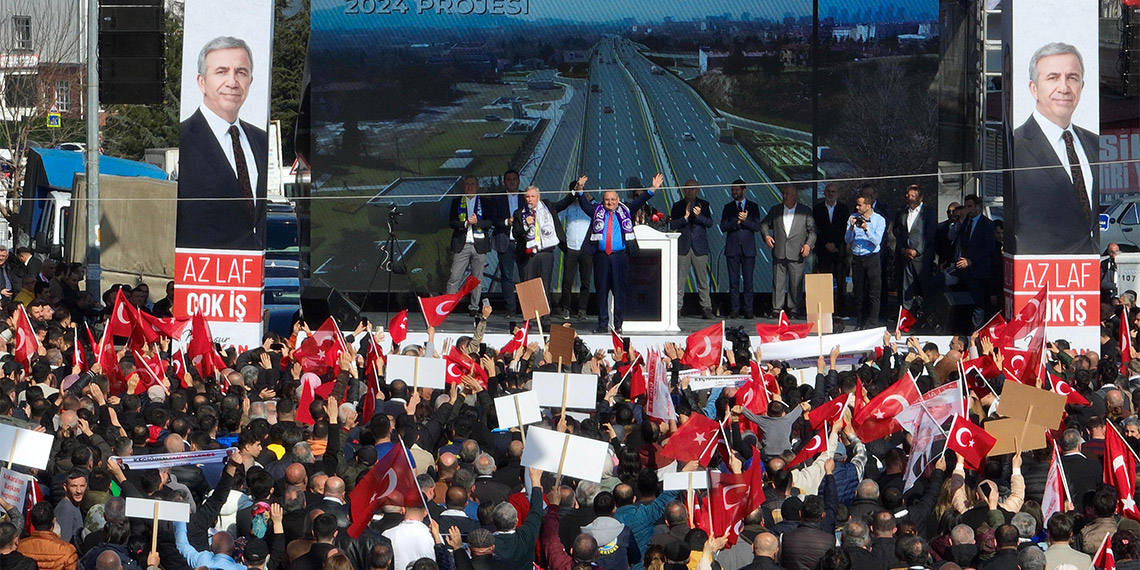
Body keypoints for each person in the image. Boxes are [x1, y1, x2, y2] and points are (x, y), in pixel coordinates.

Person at [177, 36, 268, 250]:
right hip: (205, 275)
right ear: (202, 82)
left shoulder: (260, 141)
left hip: (253, 274)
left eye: (241, 72)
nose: (232, 82)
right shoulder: (184, 139)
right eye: (221, 71)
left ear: (250, 81)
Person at [1010, 42, 1098, 255]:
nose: (1064, 87)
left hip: (1092, 276)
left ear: (1082, 86)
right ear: (1034, 88)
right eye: (1053, 77)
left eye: (1072, 78)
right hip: (1041, 278)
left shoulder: (1095, 144)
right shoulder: (1013, 148)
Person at [576, 174, 662, 333]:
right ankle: (602, 324)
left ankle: (618, 325)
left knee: (619, 292)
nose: (610, 202)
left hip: (619, 257)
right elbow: (583, 204)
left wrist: (653, 188)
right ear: (603, 200)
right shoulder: (596, 210)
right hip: (601, 257)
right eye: (607, 200)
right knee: (601, 292)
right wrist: (580, 188)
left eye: (613, 200)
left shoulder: (626, 210)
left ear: (618, 199)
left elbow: (640, 200)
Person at [760, 185, 816, 318]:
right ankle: (776, 308)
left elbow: (812, 231)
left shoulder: (805, 211)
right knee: (778, 282)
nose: (784, 196)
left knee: (796, 283)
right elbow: (764, 224)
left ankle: (794, 309)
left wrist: (808, 245)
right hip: (779, 251)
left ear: (795, 196)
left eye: (787, 194)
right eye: (783, 193)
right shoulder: (776, 210)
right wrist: (767, 236)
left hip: (797, 253)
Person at [512, 184, 576, 296]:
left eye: (532, 196)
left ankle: (544, 313)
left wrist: (576, 190)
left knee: (544, 284)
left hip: (546, 252)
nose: (529, 199)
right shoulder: (519, 213)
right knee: (529, 285)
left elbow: (564, 203)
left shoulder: (548, 206)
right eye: (527, 197)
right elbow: (516, 234)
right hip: (529, 254)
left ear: (538, 197)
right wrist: (526, 225)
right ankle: (531, 312)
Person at [448, 175, 494, 318]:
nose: (470, 186)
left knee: (477, 279)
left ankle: (474, 307)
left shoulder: (485, 203)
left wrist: (476, 222)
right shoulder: (456, 202)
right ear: (464, 186)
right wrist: (465, 223)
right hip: (461, 245)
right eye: (467, 184)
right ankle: (448, 306)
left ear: (477, 186)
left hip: (479, 246)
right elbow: (451, 222)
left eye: (472, 184)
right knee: (454, 277)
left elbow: (490, 222)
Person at [670, 179, 714, 320]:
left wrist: (698, 216)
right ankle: (676, 309)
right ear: (684, 190)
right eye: (687, 189)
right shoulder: (678, 206)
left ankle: (706, 308)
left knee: (703, 281)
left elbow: (709, 223)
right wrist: (685, 217)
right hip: (683, 247)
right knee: (679, 281)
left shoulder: (704, 205)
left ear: (698, 190)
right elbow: (672, 225)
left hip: (699, 248)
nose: (690, 191)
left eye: (693, 189)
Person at [721, 179, 763, 319]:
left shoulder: (753, 206)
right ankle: (734, 309)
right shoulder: (727, 207)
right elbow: (723, 227)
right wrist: (737, 222)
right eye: (732, 190)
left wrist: (746, 221)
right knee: (733, 282)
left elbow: (757, 227)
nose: (734, 192)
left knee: (748, 281)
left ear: (744, 190)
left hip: (748, 249)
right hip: (732, 249)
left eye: (737, 190)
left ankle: (748, 309)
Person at [893, 184, 936, 315]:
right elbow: (897, 232)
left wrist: (917, 251)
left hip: (921, 259)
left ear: (920, 198)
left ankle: (925, 317)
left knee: (924, 288)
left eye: (913, 196)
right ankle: (907, 318)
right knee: (906, 290)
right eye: (908, 195)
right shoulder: (902, 212)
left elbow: (929, 235)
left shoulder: (928, 213)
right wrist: (903, 249)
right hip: (906, 256)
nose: (909, 198)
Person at [954, 194, 995, 330]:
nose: (968, 209)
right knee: (964, 302)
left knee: (979, 304)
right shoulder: (965, 222)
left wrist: (971, 261)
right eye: (966, 206)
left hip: (978, 270)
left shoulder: (987, 224)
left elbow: (989, 248)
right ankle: (963, 328)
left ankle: (976, 331)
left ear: (978, 206)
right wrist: (961, 219)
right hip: (964, 271)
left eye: (970, 206)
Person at [846, 196, 887, 328]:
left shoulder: (879, 220)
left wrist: (866, 228)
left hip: (872, 257)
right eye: (856, 205)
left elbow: (876, 241)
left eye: (860, 205)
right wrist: (851, 228)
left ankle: (872, 322)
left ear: (868, 206)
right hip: (857, 257)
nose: (857, 208)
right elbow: (847, 240)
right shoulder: (852, 217)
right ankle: (860, 321)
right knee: (858, 291)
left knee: (873, 291)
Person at [488, 169, 523, 318]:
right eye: (509, 179)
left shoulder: (524, 197)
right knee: (507, 277)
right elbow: (491, 219)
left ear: (518, 181)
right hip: (504, 241)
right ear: (504, 182)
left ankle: (527, 309)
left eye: (514, 179)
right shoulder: (498, 198)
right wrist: (505, 222)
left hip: (523, 243)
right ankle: (511, 309)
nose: (512, 182)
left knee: (525, 277)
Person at [558, 176, 594, 321]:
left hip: (586, 248)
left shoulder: (590, 206)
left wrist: (588, 197)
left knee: (585, 281)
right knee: (567, 280)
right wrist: (562, 242)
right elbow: (557, 219)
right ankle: (565, 308)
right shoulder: (568, 207)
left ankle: (582, 309)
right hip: (571, 248)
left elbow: (598, 209)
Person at [812, 183, 849, 315]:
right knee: (824, 281)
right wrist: (827, 243)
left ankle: (842, 311)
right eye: (828, 191)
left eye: (833, 191)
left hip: (839, 250)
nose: (831, 194)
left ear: (837, 193)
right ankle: (825, 310)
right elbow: (816, 229)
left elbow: (844, 229)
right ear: (825, 193)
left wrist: (835, 244)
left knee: (840, 281)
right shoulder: (817, 209)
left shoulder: (844, 209)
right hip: (823, 250)